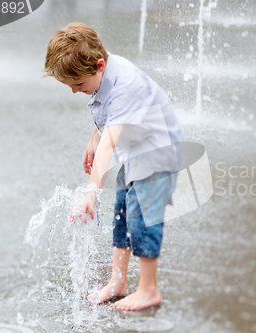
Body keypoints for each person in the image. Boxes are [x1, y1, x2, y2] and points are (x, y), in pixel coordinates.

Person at [43, 22, 182, 311]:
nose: (74, 91)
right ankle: (117, 282)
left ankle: (149, 288)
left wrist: (91, 190)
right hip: (135, 149)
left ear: (100, 65)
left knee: (142, 217)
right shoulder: (103, 71)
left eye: (78, 84)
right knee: (122, 214)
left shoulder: (126, 87)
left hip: (157, 151)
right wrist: (93, 139)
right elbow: (104, 116)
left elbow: (110, 143)